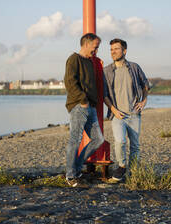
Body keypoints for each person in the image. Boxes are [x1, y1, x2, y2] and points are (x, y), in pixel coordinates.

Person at [103, 38, 150, 181]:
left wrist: (144, 101)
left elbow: (145, 84)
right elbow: (104, 95)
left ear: (124, 51)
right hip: (117, 114)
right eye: (111, 49)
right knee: (120, 142)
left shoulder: (134, 67)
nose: (113, 52)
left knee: (135, 145)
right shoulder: (107, 71)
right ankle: (122, 167)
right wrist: (113, 109)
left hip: (134, 114)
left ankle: (133, 172)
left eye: (116, 49)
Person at [64, 33, 104, 187]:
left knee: (98, 139)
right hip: (79, 105)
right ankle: (70, 176)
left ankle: (76, 168)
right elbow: (70, 82)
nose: (96, 50)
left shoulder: (90, 61)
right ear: (86, 44)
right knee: (75, 140)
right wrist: (83, 100)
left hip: (90, 106)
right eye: (95, 47)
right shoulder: (74, 59)